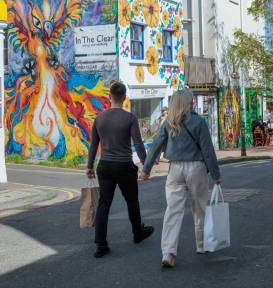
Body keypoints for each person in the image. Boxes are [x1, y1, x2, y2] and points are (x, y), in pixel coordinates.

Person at [140, 88, 221, 268]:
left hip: (175, 168)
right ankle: (202, 245)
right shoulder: (199, 121)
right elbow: (208, 150)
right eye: (191, 100)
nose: (193, 102)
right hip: (196, 167)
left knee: (172, 210)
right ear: (187, 103)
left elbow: (155, 147)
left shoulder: (169, 122)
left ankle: (168, 252)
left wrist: (146, 169)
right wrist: (215, 175)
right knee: (200, 208)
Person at [86, 82, 154, 258]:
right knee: (132, 201)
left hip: (105, 167)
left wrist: (89, 166)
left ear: (110, 97)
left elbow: (93, 145)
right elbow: (138, 144)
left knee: (104, 204)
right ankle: (138, 233)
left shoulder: (99, 119)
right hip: (124, 166)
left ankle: (101, 244)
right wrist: (146, 166)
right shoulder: (130, 118)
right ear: (124, 98)